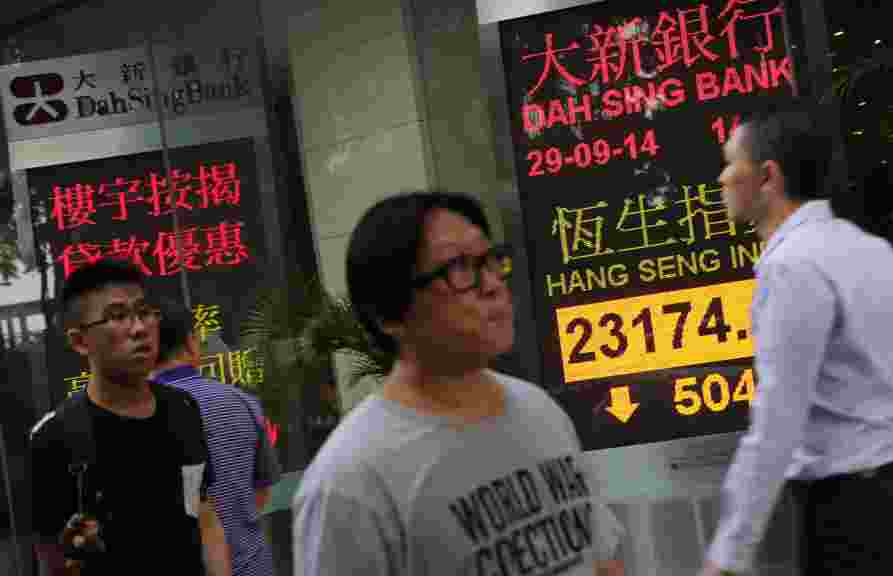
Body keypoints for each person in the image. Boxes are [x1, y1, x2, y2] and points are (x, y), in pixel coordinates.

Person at [699, 108, 893, 576]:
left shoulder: (791, 267)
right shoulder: (873, 252)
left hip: (846, 521)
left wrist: (728, 555)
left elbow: (778, 419)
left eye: (731, 163)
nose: (721, 178)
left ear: (767, 177)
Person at [292, 191, 625, 576]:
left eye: (491, 261)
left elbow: (601, 559)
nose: (493, 286)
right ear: (389, 315)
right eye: (459, 268)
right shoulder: (350, 483)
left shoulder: (539, 410)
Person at [29, 260, 230, 576]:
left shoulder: (183, 408)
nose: (139, 329)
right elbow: (52, 559)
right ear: (80, 341)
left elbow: (203, 512)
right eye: (117, 316)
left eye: (144, 312)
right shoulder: (55, 436)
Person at [150, 298, 281, 576]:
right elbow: (261, 492)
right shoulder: (243, 402)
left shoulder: (135, 418)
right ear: (191, 343)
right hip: (251, 566)